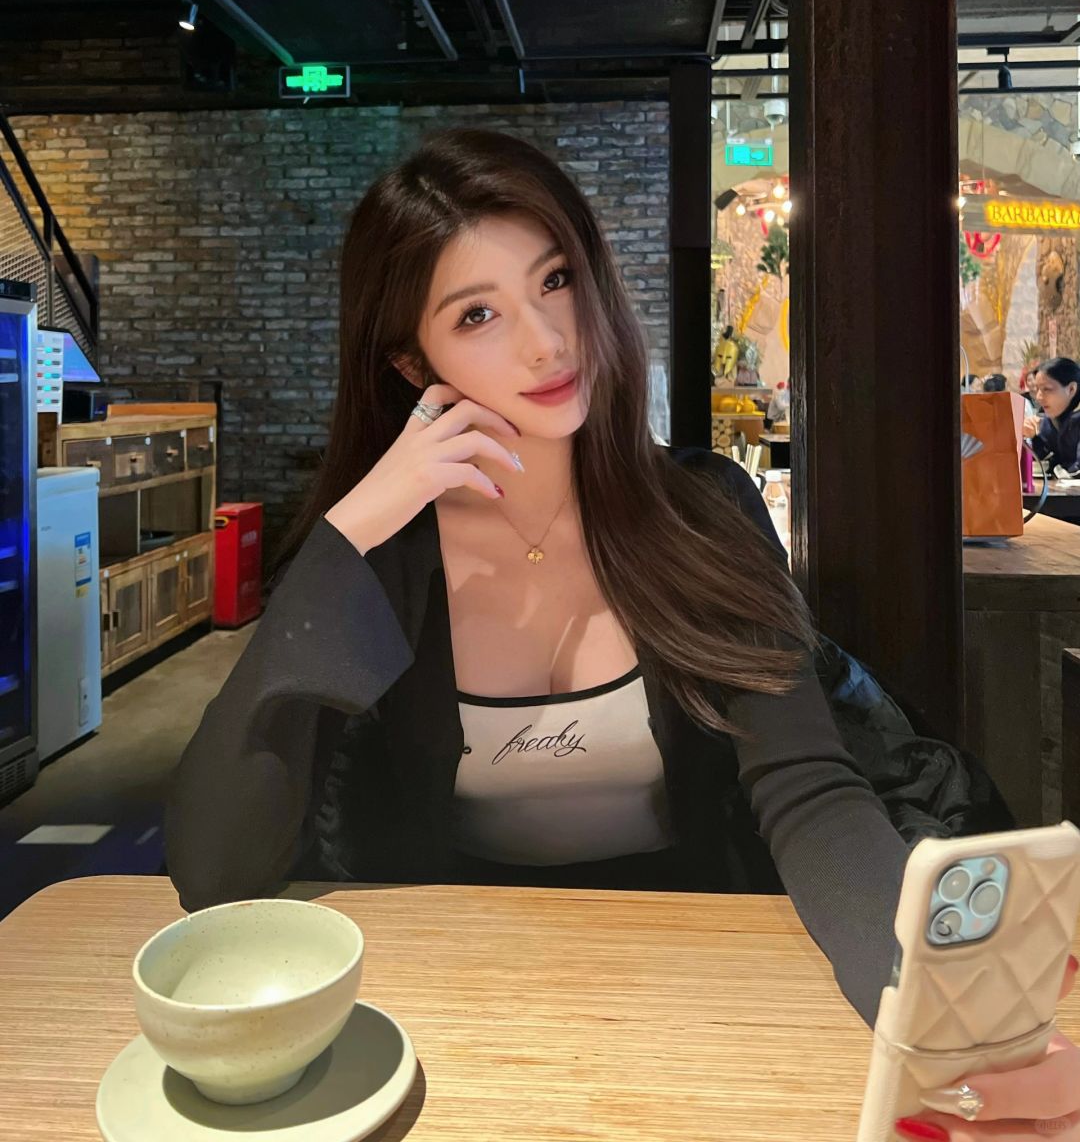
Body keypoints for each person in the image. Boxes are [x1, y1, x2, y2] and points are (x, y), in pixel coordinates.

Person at [165, 130, 1079, 1140]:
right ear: (413, 361)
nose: (547, 341)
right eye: (478, 314)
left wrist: (937, 1029)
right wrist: (346, 536)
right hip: (453, 1008)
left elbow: (810, 795)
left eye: (555, 280)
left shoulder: (700, 510)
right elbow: (215, 872)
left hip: (697, 985)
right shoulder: (386, 558)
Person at [1024, 356, 1080, 475]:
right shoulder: (1049, 420)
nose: (1038, 397)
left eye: (1047, 389)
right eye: (1037, 389)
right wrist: (1034, 436)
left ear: (1071, 389)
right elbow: (1045, 461)